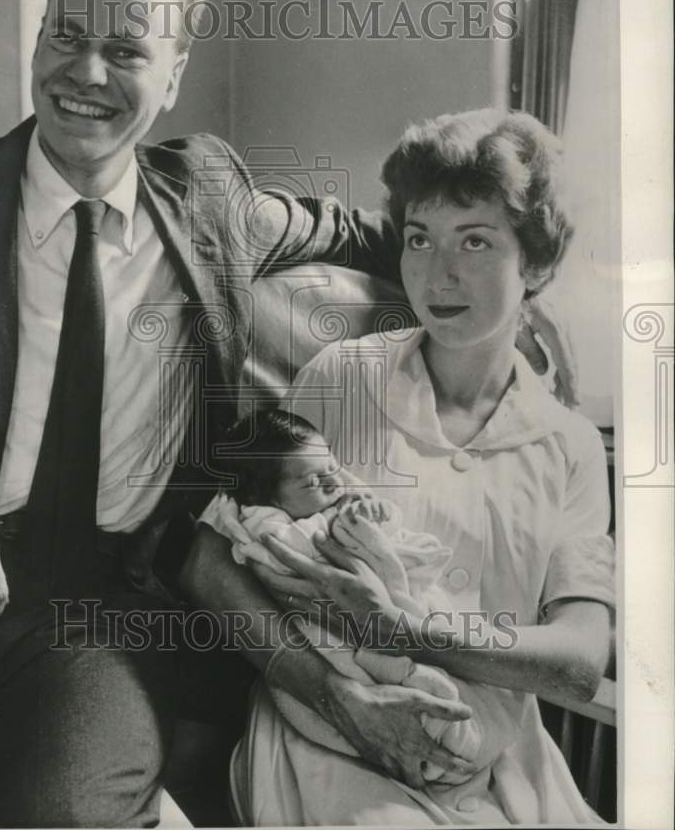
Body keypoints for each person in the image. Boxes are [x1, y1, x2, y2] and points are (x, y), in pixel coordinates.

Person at [0, 0, 417, 828]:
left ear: (173, 77)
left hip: (98, 620)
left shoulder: (210, 198)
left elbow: (364, 233)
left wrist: (501, 292)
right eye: (66, 35)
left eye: (124, 51)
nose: (84, 72)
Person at [210, 108, 615, 825]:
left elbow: (581, 662)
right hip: (331, 736)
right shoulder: (340, 378)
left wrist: (405, 630)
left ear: (535, 263)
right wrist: (338, 696)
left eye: (475, 241)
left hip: (500, 756)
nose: (437, 273)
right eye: (419, 239)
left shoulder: (569, 444)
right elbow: (219, 557)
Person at [202, 409, 522, 815]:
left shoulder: (336, 496)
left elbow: (386, 529)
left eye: (332, 467)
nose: (333, 481)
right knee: (376, 676)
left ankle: (452, 727)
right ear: (268, 496)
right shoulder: (267, 523)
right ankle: (436, 732)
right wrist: (344, 526)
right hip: (325, 633)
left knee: (437, 649)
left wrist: (373, 514)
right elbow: (286, 548)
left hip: (392, 609)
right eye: (313, 480)